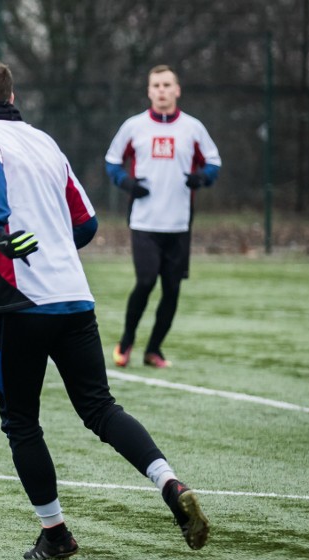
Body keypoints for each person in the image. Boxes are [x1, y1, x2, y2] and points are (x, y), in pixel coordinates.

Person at [0, 56, 210, 560]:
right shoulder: (46, 141)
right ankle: (169, 482)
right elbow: (86, 224)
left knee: (21, 421)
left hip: (18, 300)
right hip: (73, 296)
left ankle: (56, 534)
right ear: (13, 96)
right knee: (100, 408)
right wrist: (50, 241)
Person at [105, 64, 221, 369]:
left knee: (172, 288)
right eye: (156, 85)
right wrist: (126, 183)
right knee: (145, 281)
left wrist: (203, 178)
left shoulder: (193, 128)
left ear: (177, 90)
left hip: (179, 222)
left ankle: (153, 350)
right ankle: (126, 341)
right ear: (149, 91)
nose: (161, 90)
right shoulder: (134, 126)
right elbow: (112, 162)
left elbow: (213, 163)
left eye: (167, 85)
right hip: (144, 221)